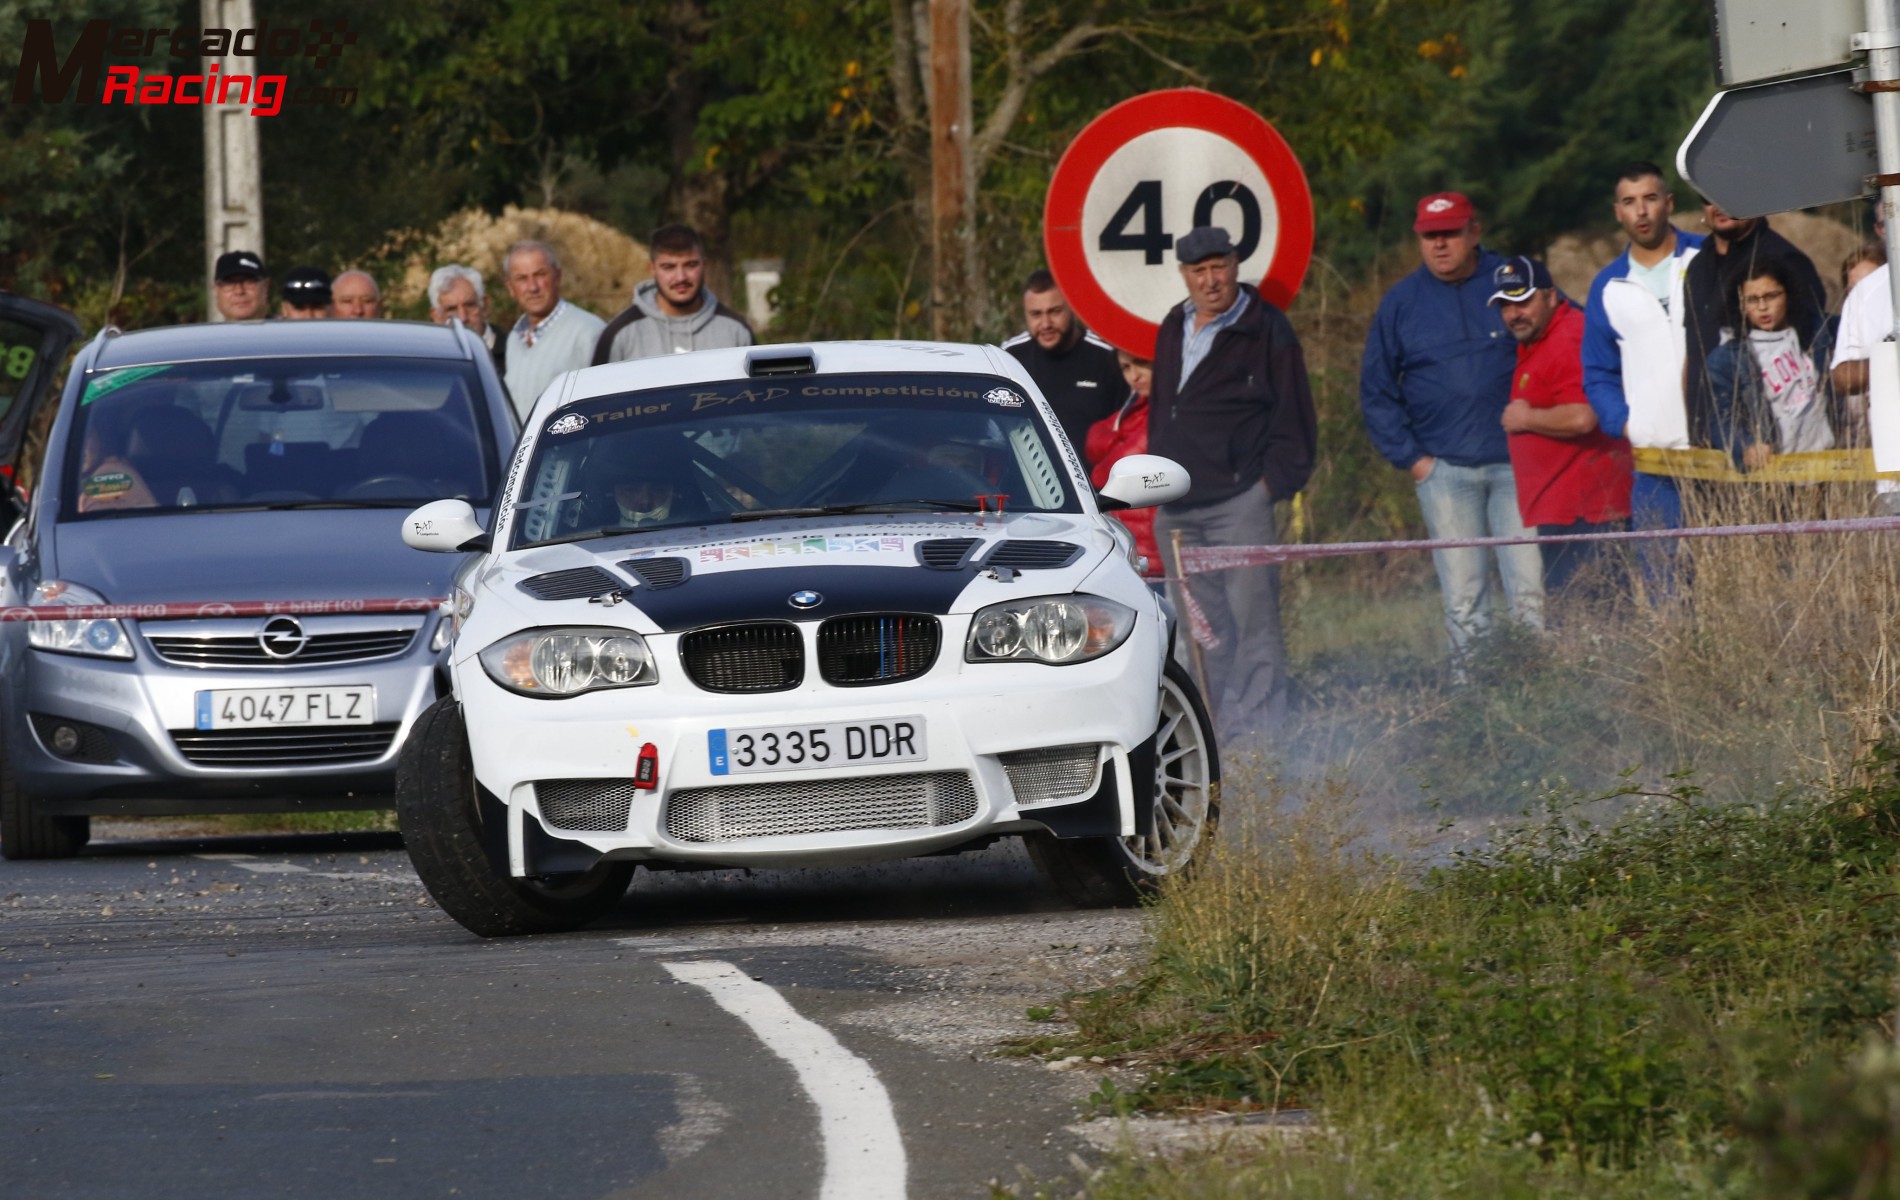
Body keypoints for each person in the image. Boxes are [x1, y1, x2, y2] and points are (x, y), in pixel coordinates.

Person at [1146, 226, 1317, 739]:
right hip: (1176, 506)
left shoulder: (1267, 329)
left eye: (1219, 267)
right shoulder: (1173, 325)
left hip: (1239, 503)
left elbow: (1296, 424)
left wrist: (1264, 490)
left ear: (1236, 266)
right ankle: (1210, 736)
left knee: (1254, 623)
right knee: (1199, 632)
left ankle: (1264, 743)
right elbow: (1162, 409)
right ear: (1184, 275)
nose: (1210, 280)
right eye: (1198, 271)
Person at [1360, 191, 1543, 658]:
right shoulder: (1402, 302)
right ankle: (1474, 709)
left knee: (1532, 593)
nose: (1440, 245)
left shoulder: (1510, 280)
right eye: (1429, 236)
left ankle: (1544, 696)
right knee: (1464, 598)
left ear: (1474, 232)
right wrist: (1416, 461)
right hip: (1445, 473)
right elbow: (1376, 389)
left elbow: (1558, 339)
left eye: (1450, 234)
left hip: (1518, 468)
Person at [1490, 256, 1633, 593]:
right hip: (1568, 509)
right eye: (1505, 305)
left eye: (1523, 301)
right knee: (1576, 621)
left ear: (1551, 297)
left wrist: (1526, 418)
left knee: (1586, 621)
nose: (1514, 314)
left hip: (1587, 512)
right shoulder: (1540, 340)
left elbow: (1584, 416)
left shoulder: (1567, 336)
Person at [1582, 161, 1705, 538]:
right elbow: (1598, 373)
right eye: (1630, 202)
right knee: (1663, 584)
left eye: (1650, 198)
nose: (1642, 210)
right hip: (1655, 461)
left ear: (1668, 203)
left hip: (1722, 448)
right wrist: (1626, 424)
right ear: (1618, 212)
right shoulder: (1608, 286)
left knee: (1734, 572)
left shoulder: (1706, 257)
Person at [1681, 198, 1825, 443]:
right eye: (1708, 198)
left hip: (1775, 452)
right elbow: (1693, 353)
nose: (1718, 204)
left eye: (1727, 194)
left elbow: (1817, 350)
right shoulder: (1697, 267)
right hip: (1707, 442)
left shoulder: (1784, 259)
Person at [1706, 257, 1836, 472]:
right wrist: (1745, 448)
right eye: (1752, 300)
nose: (1762, 307)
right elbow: (1720, 419)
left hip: (1832, 466)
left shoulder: (1819, 333)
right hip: (1777, 474)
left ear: (1788, 294)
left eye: (1771, 296)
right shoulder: (1727, 359)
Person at [1001, 270, 1125, 456]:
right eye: (1036, 314)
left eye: (1055, 312)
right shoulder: (1010, 357)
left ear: (1072, 308)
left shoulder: (1107, 357)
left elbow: (1128, 431)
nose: (1046, 324)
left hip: (1095, 483)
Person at [592, 224, 753, 364]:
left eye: (691, 265)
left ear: (704, 265)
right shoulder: (620, 334)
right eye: (669, 267)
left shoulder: (736, 331)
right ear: (652, 268)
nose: (681, 277)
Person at [1084, 350, 1164, 587]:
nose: (1133, 376)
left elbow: (1106, 472)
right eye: (1126, 368)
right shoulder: (1134, 410)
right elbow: (1095, 443)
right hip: (1134, 552)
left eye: (1141, 363)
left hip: (1157, 555)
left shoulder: (1165, 414)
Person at [502, 240, 605, 422]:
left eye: (540, 275)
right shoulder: (514, 338)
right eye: (522, 278)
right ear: (510, 288)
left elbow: (605, 408)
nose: (533, 287)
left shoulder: (588, 332)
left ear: (558, 276)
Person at [429, 264, 506, 372]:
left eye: (470, 305)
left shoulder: (513, 351)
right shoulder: (429, 363)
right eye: (452, 309)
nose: (462, 318)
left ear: (484, 306)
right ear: (436, 316)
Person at [212, 250, 269, 322]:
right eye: (229, 283)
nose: (239, 291)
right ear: (216, 290)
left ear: (265, 287)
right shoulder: (200, 332)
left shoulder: (285, 331)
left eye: (249, 282)